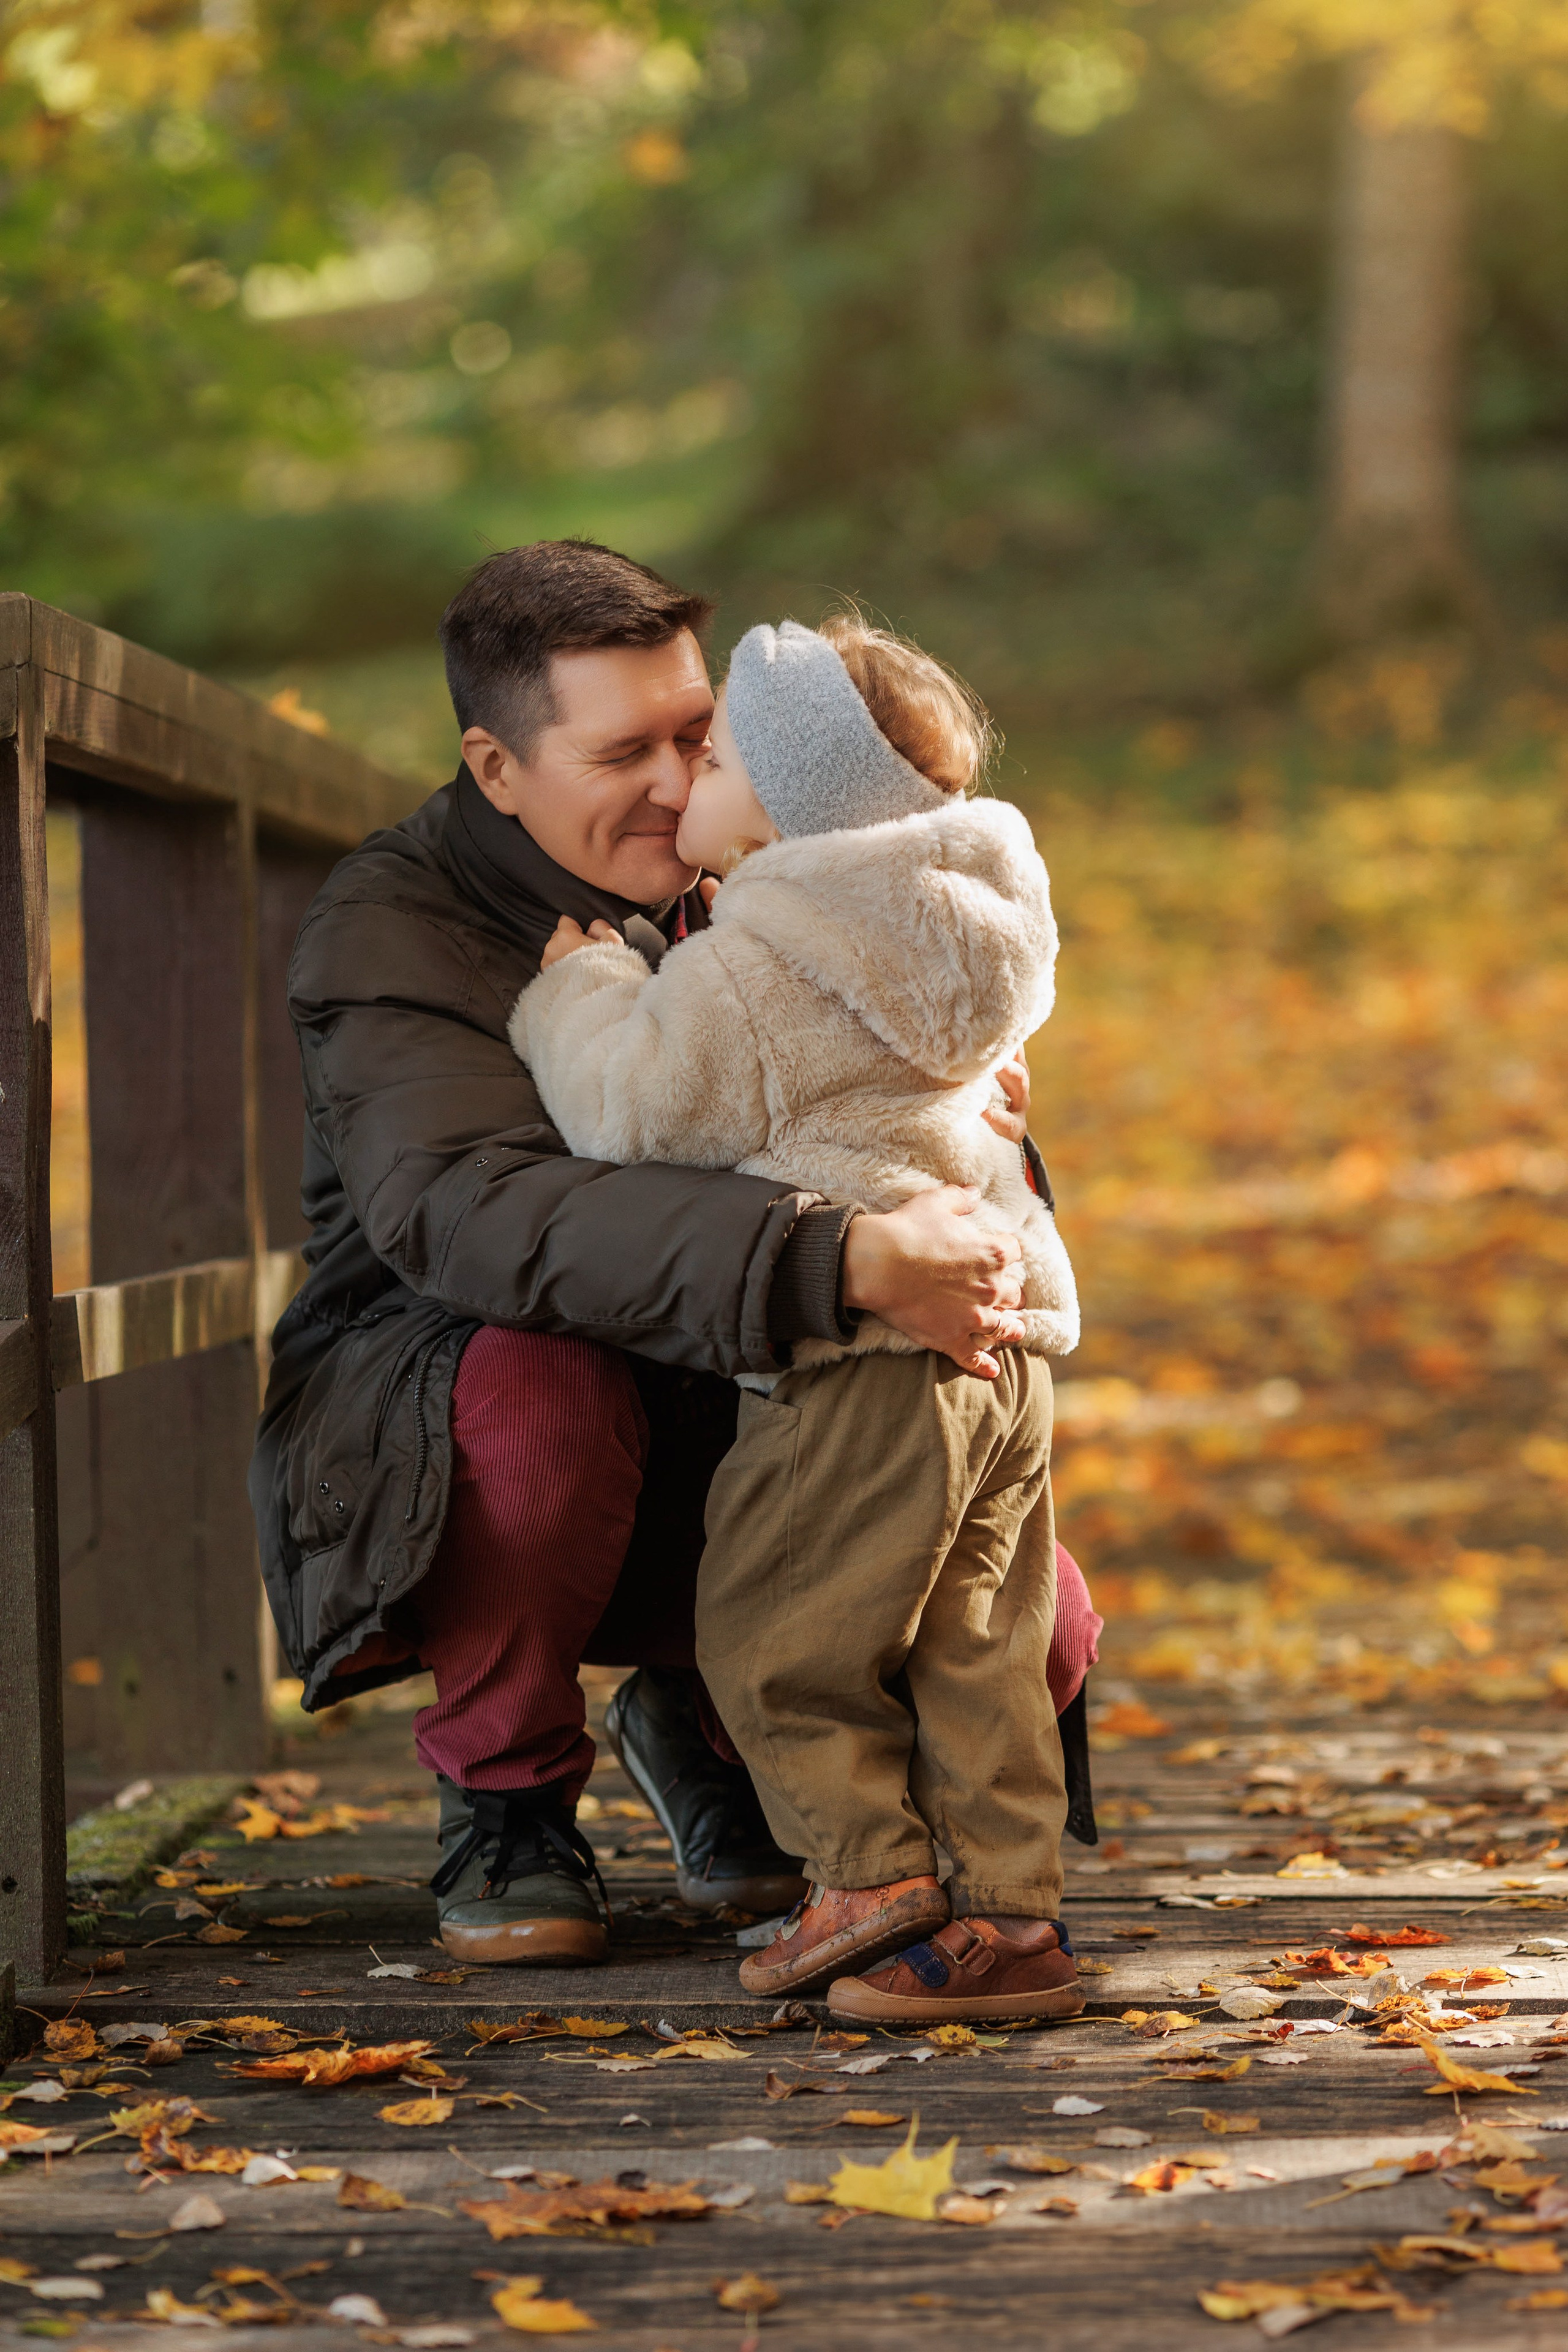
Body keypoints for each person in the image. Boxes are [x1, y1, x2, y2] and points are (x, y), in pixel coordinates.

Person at [249, 538, 1101, 1971]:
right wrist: (839, 1258)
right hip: (462, 1397)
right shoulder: (393, 927)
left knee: (1043, 1629)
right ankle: (508, 1799)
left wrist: (985, 1138)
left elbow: (905, 1119)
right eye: (620, 752)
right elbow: (475, 1212)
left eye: (696, 736)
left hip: (759, 1379)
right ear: (496, 766)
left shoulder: (779, 866)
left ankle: (728, 1745)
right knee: (543, 1396)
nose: (673, 780)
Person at [510, 614, 1087, 2023]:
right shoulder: (963, 926)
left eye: (710, 759)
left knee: (774, 1629)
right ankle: (1007, 1918)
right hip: (1004, 1357)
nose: (680, 785)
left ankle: (865, 1877)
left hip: (864, 1362)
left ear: (781, 803)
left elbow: (628, 1106)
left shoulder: (766, 956)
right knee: (974, 1649)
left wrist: (582, 986)